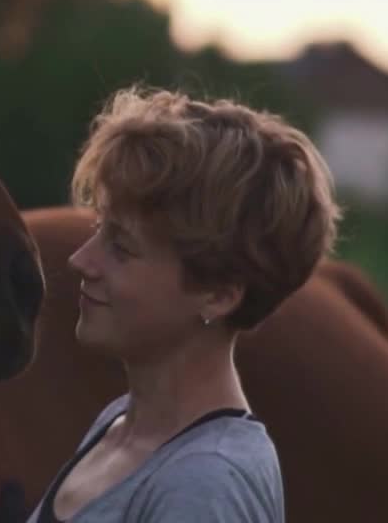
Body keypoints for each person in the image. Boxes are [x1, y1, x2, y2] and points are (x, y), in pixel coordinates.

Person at [25, 85, 342, 522]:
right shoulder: (117, 426)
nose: (80, 261)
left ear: (219, 293)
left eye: (122, 247)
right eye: (99, 229)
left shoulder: (206, 484)